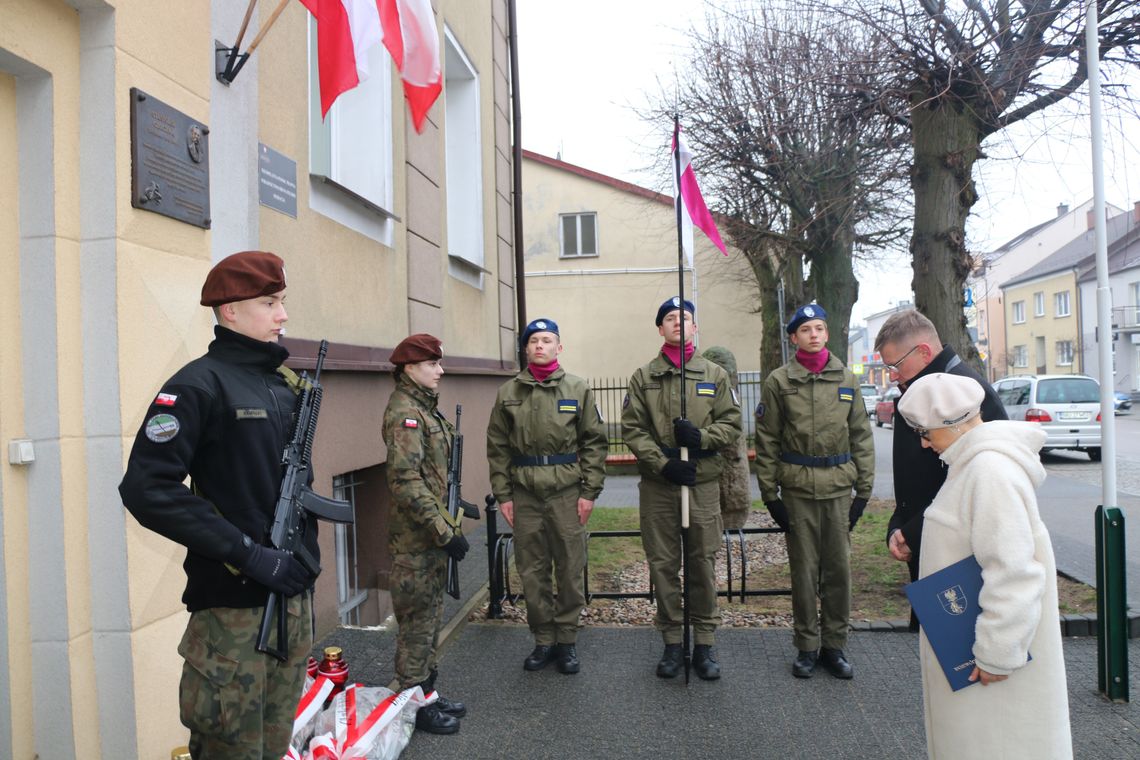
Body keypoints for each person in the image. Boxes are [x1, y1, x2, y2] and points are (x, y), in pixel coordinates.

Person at [119, 250, 315, 759]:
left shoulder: (282, 385)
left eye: (282, 302)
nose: (283, 315)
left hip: (290, 599)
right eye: (270, 303)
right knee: (231, 749)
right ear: (230, 310)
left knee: (274, 745)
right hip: (233, 613)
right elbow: (147, 488)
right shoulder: (197, 385)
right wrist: (248, 553)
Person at [896, 373, 1072, 759]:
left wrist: (997, 652)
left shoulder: (989, 471)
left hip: (988, 666)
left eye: (925, 432)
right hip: (975, 652)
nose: (924, 443)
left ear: (954, 424)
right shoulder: (972, 464)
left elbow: (1013, 571)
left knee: (998, 746)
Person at [621, 297, 742, 680]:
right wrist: (664, 463)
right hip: (660, 485)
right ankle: (673, 642)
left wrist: (702, 437)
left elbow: (732, 423)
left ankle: (704, 643)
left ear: (695, 327)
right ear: (660, 328)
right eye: (670, 318)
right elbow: (632, 429)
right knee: (663, 564)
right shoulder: (644, 377)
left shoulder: (714, 375)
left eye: (685, 318)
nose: (678, 323)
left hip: (701, 482)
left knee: (702, 562)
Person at [754, 304, 874, 679]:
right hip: (798, 489)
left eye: (820, 327)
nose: (814, 334)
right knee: (804, 573)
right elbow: (768, 439)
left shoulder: (846, 378)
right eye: (806, 329)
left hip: (839, 488)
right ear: (794, 338)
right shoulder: (779, 381)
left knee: (838, 572)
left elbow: (861, 436)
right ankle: (807, 646)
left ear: (827, 334)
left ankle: (834, 646)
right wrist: (770, 496)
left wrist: (863, 493)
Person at [486, 318, 608, 674]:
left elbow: (595, 444)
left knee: (570, 567)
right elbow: (497, 448)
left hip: (567, 494)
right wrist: (503, 495)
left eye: (547, 340)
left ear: (559, 347)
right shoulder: (508, 393)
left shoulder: (577, 388)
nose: (540, 346)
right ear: (525, 349)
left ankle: (567, 640)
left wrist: (589, 492)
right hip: (524, 494)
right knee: (531, 570)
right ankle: (543, 640)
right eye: (534, 341)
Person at [873, 310, 1005, 589]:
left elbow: (974, 488)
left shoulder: (968, 394)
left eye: (895, 365)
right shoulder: (921, 388)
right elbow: (913, 477)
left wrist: (913, 533)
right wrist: (898, 525)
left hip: (955, 552)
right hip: (926, 540)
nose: (893, 377)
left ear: (923, 351)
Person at [382, 333, 469, 735]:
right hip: (416, 542)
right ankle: (410, 704)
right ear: (409, 368)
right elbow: (405, 481)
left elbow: (434, 478)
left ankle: (426, 693)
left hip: (430, 537)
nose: (441, 370)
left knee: (430, 621)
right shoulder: (406, 413)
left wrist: (451, 518)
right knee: (416, 626)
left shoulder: (424, 408)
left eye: (439, 363)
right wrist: (444, 531)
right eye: (433, 364)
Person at [701, 346, 752, 531]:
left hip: (734, 476)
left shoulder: (733, 399)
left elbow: (734, 437)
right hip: (709, 472)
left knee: (733, 502)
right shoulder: (703, 399)